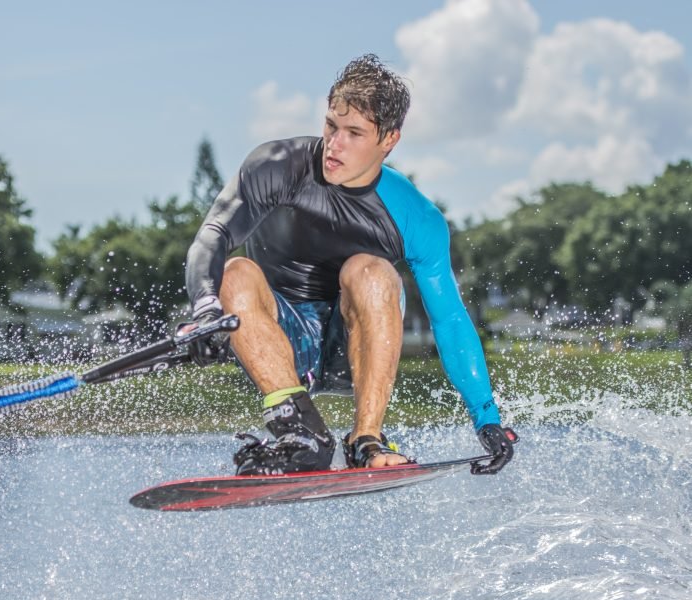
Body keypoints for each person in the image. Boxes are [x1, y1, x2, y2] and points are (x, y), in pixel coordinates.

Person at [182, 54, 515, 476]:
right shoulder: (277, 166)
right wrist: (205, 308)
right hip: (273, 338)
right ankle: (298, 430)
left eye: (354, 133)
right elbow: (213, 235)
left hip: (352, 349)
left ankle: (366, 440)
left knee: (371, 271)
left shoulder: (415, 216)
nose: (334, 144)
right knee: (234, 272)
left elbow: (449, 319)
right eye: (331, 126)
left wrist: (486, 419)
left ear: (389, 139)